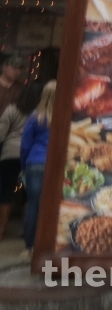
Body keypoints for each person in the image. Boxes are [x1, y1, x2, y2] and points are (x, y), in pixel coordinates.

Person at [0, 83, 41, 241]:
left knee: (5, 191)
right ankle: (26, 231)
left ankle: (1, 230)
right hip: (31, 156)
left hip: (9, 154)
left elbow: (1, 133)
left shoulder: (12, 109)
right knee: (29, 194)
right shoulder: (40, 114)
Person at [20, 80, 55, 255]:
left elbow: (25, 144)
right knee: (52, 205)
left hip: (34, 163)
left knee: (33, 204)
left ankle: (29, 247)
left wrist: (24, 166)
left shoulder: (35, 116)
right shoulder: (64, 117)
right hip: (55, 165)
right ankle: (48, 245)